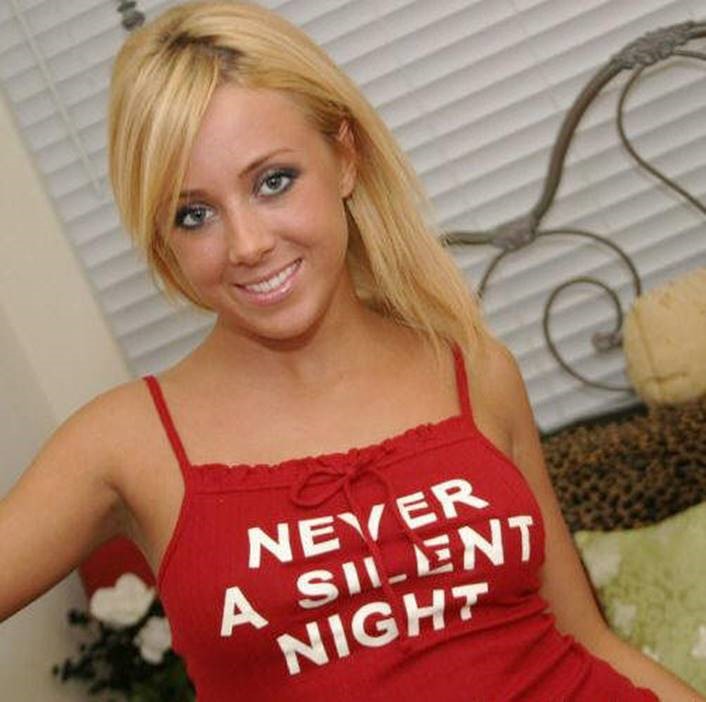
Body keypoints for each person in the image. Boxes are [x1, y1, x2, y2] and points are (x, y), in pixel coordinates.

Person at [0, 2, 702, 700]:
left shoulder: (473, 368)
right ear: (164, 239)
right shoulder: (126, 444)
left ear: (343, 157)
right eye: (195, 214)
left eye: (273, 181)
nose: (247, 244)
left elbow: (587, 639)